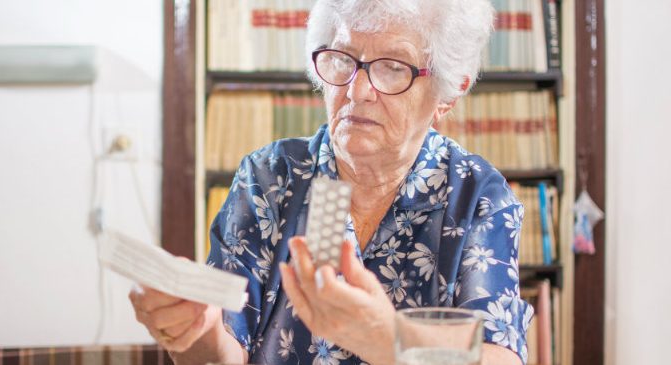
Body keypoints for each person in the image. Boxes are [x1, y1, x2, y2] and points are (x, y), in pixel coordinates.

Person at [129, 0, 532, 364]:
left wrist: (389, 340)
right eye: (342, 59)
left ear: (449, 92)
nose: (356, 90)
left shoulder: (477, 195)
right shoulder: (270, 177)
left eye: (393, 67)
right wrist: (195, 328)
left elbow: (500, 357)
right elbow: (222, 351)